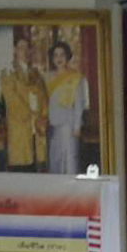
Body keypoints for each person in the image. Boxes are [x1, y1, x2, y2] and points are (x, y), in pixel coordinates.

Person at [0, 35, 47, 173]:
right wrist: (30, 113)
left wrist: (42, 117)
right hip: (20, 125)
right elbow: (11, 99)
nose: (24, 51)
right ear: (14, 50)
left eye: (27, 48)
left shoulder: (36, 74)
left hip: (37, 127)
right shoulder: (8, 72)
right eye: (21, 47)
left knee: (37, 166)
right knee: (21, 167)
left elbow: (43, 97)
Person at [45, 40, 88, 175]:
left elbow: (79, 103)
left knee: (70, 161)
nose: (59, 58)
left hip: (68, 126)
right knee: (55, 160)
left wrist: (77, 127)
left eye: (62, 55)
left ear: (68, 56)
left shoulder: (75, 77)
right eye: (56, 55)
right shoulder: (48, 77)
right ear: (52, 58)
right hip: (53, 125)